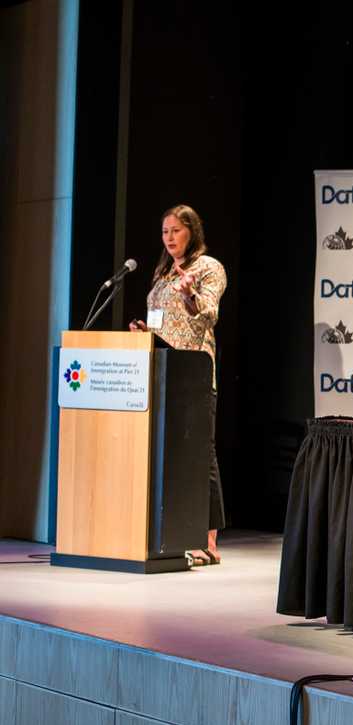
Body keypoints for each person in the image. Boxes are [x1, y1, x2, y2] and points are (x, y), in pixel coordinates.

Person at [129, 205, 228, 565]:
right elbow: (160, 319)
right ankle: (170, 533)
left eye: (176, 230)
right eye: (164, 231)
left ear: (192, 232)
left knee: (201, 455)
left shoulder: (208, 267)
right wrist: (146, 332)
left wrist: (189, 294)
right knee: (166, 454)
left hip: (194, 373)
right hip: (162, 372)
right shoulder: (161, 273)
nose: (169, 237)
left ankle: (208, 541)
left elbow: (209, 313)